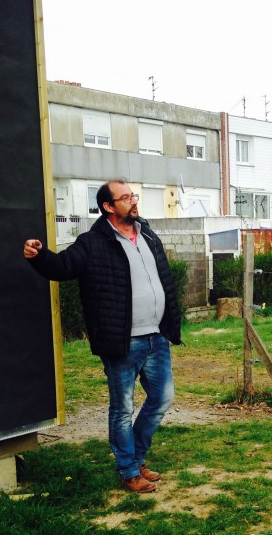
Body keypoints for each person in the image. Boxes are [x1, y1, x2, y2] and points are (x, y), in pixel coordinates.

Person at [23, 179, 181, 494]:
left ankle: (136, 459)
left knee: (162, 399)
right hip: (122, 342)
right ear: (108, 206)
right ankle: (128, 470)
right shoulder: (92, 243)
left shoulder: (147, 234)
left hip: (156, 337)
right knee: (122, 408)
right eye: (125, 198)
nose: (133, 202)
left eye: (133, 195)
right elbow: (63, 267)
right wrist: (39, 256)